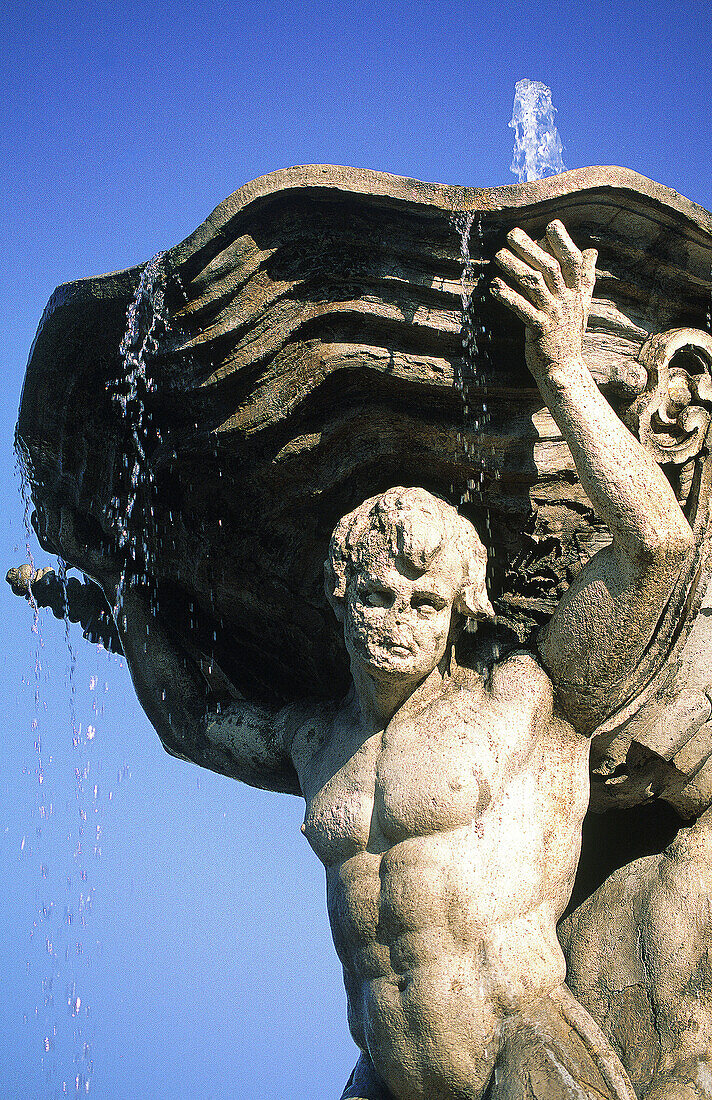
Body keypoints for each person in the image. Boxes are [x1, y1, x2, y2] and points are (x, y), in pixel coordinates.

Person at [24, 222, 693, 1099]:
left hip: (524, 1062)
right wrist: (129, 590)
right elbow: (188, 724)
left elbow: (659, 551)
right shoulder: (315, 741)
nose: (397, 625)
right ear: (339, 601)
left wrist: (563, 368)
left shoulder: (524, 703)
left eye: (425, 605)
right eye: (376, 598)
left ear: (462, 616)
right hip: (383, 1074)